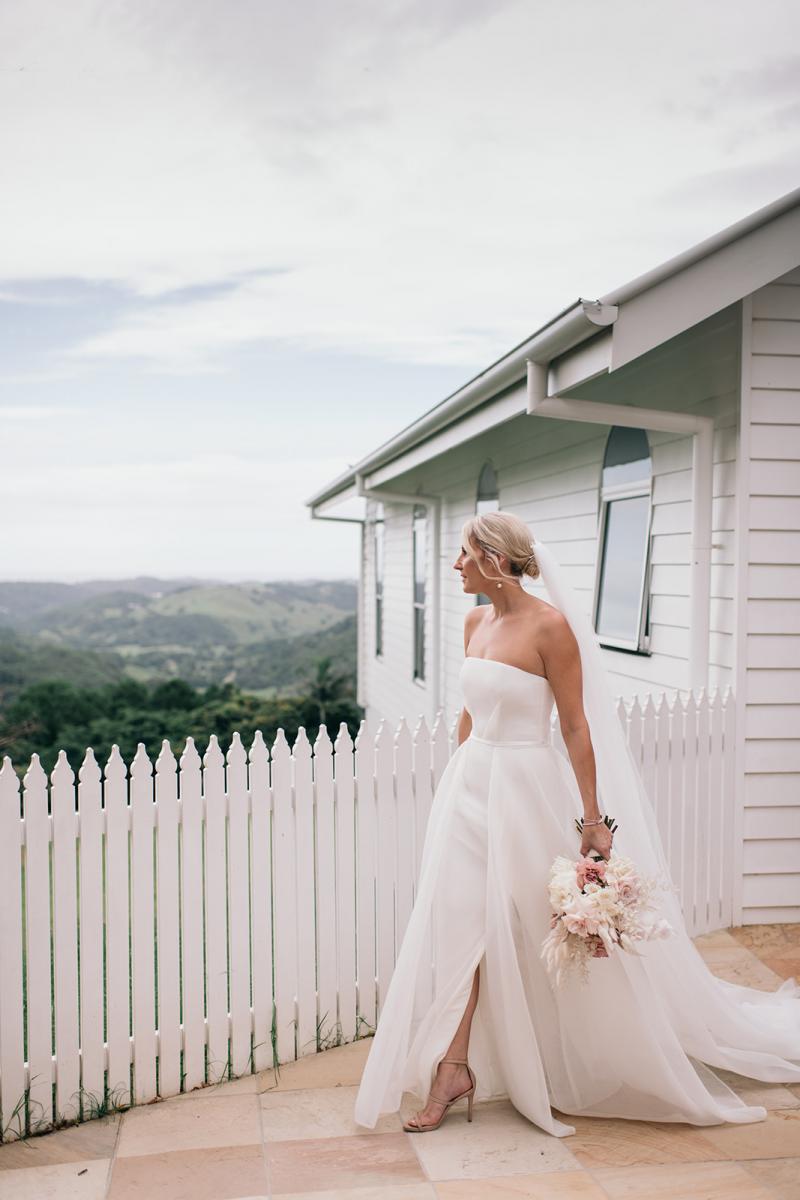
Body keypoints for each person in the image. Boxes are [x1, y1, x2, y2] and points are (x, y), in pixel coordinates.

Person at [353, 511, 800, 1137]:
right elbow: (467, 711)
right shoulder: (474, 621)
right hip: (470, 788)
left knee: (541, 928)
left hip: (526, 789)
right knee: (459, 926)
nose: (454, 566)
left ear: (494, 560)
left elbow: (574, 727)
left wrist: (593, 820)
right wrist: (453, 780)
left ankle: (598, 1054)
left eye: (462, 554)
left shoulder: (551, 628)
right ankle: (454, 1068)